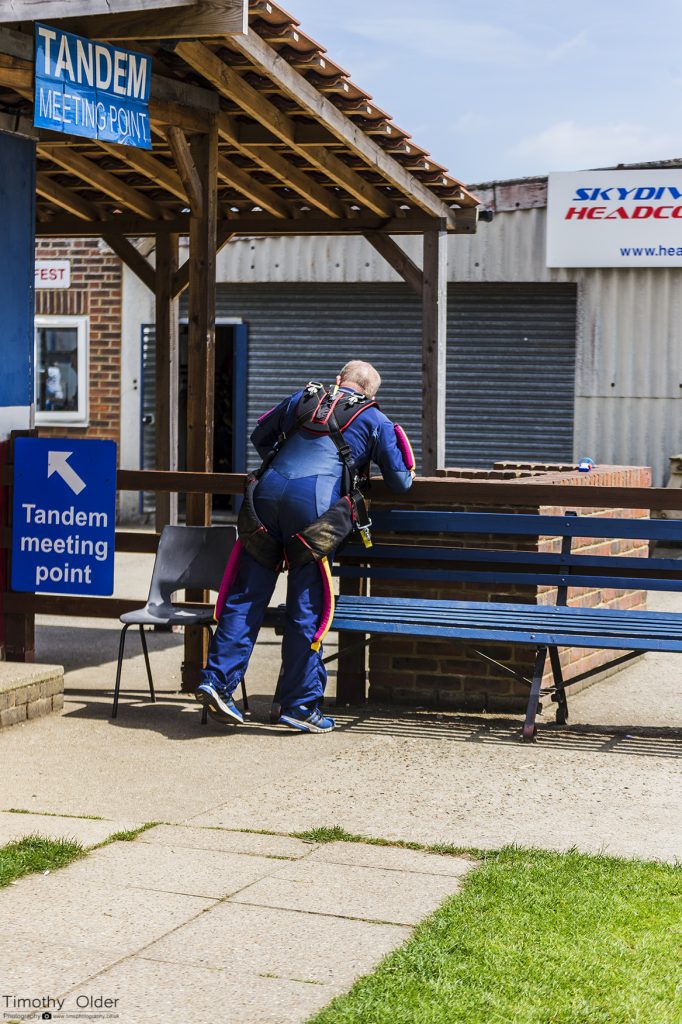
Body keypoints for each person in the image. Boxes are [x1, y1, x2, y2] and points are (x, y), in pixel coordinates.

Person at [196, 360, 416, 733]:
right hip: (313, 512)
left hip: (263, 499)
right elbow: (401, 481)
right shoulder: (375, 419)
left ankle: (216, 682)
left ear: (339, 380)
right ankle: (299, 706)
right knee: (307, 607)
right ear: (371, 393)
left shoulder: (305, 396)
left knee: (246, 596)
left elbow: (260, 438)